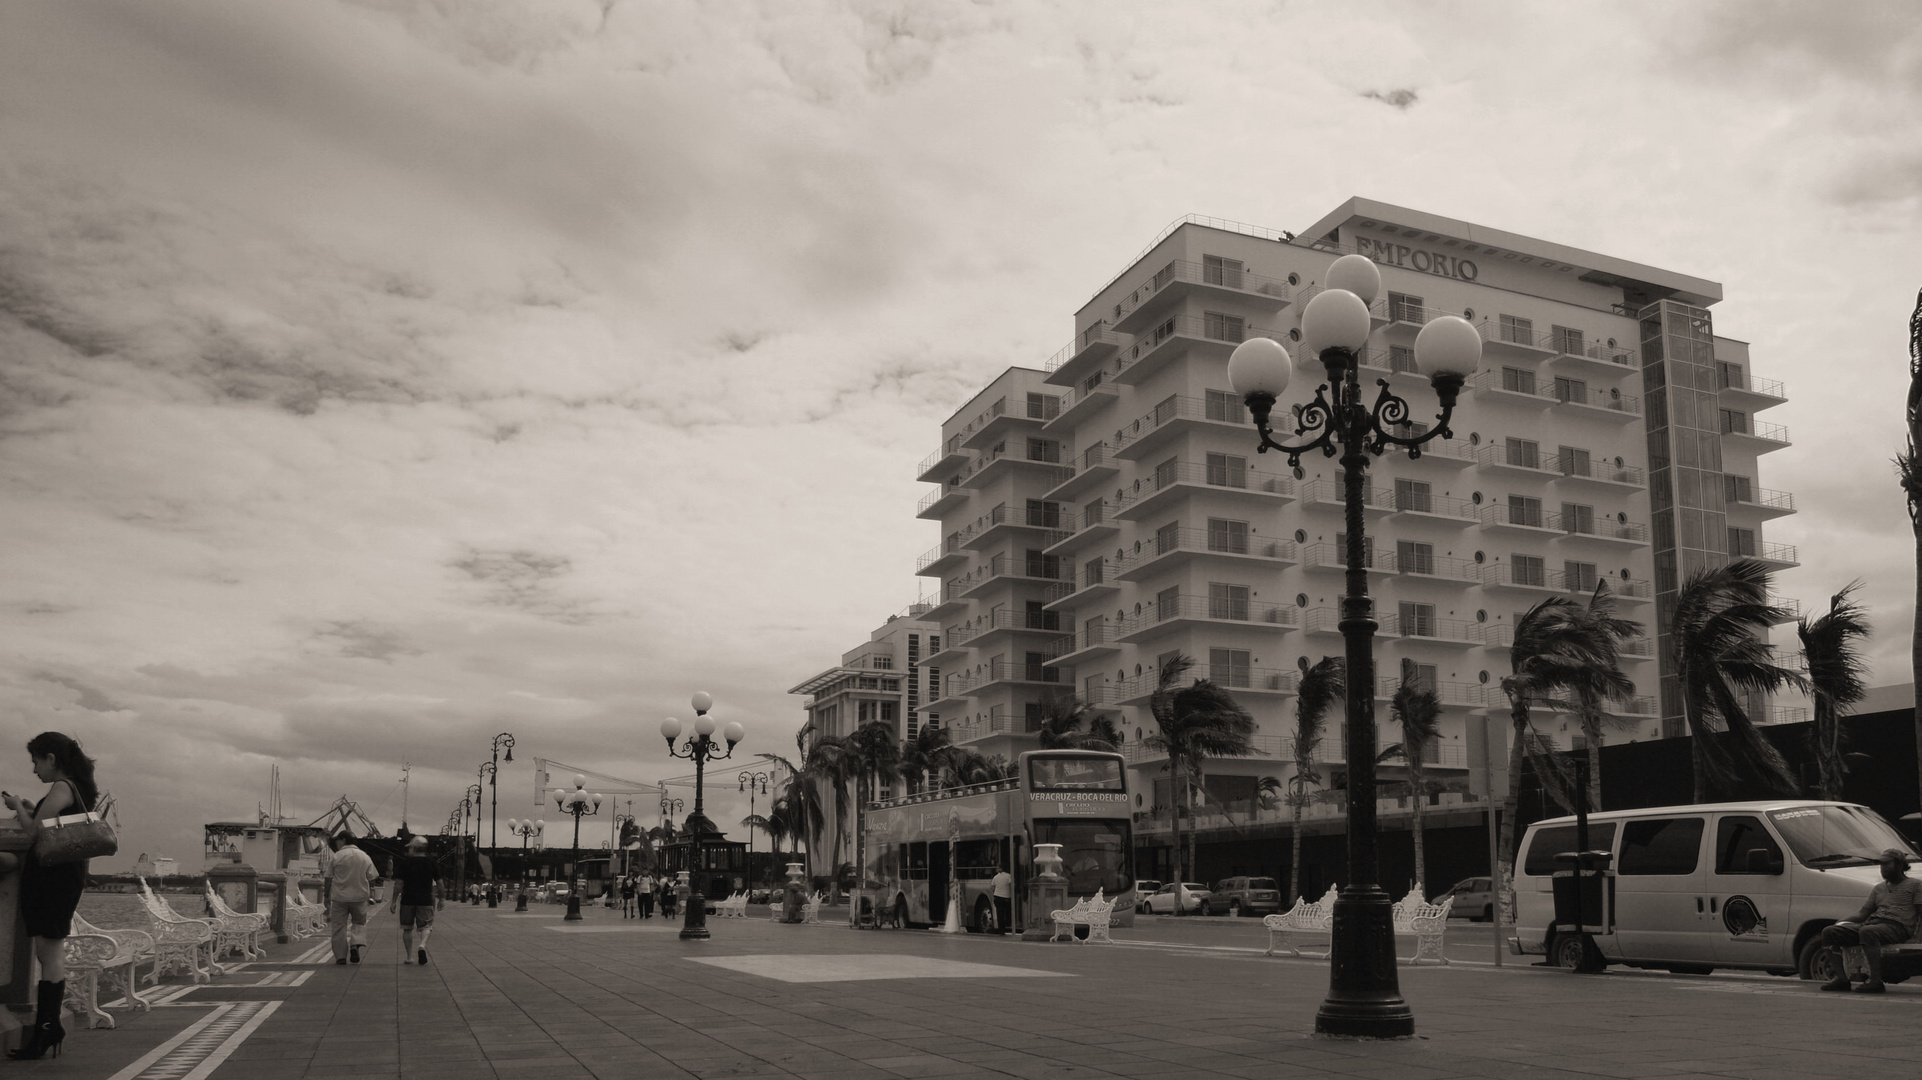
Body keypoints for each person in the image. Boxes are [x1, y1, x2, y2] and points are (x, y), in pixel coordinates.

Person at [3, 732, 101, 1060]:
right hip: (64, 876)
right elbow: (51, 821)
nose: (34, 770)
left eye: (36, 762)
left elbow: (35, 832)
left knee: (48, 953)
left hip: (52, 879)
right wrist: (34, 808)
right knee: (50, 953)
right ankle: (48, 1027)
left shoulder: (62, 786)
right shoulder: (77, 787)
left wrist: (18, 806)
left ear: (51, 759)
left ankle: (46, 1029)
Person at [1819, 848, 1922, 993]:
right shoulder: (1879, 888)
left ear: (1899, 865)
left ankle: (1875, 981)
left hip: (1898, 926)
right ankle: (1841, 979)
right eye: (1881, 865)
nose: (1883, 868)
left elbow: (1921, 913)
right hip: (1873, 924)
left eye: (1887, 864)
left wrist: (1918, 937)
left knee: (1868, 931)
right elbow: (1862, 913)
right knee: (1829, 932)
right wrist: (1840, 922)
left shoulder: (1915, 885)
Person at [324, 832, 378, 965]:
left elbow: (328, 877)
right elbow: (372, 877)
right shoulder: (364, 856)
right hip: (359, 897)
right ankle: (355, 944)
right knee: (359, 923)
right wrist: (371, 894)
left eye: (338, 840)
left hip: (339, 897)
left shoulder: (337, 856)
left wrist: (326, 895)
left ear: (343, 840)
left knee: (338, 927)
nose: (336, 843)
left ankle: (340, 957)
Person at [388, 835, 442, 965]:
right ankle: (422, 945)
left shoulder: (405, 863)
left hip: (407, 900)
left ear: (413, 848)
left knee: (407, 929)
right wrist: (442, 899)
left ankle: (409, 957)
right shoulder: (432, 863)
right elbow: (440, 883)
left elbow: (398, 884)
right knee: (426, 927)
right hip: (425, 900)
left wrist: (394, 901)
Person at [990, 862, 1013, 935]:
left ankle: (1001, 930)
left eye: (997, 867)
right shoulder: (1009, 876)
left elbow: (992, 887)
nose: (996, 869)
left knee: (999, 914)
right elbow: (1011, 885)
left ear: (1001, 868)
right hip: (1006, 897)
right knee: (1006, 913)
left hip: (997, 897)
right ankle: (1006, 926)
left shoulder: (995, 877)